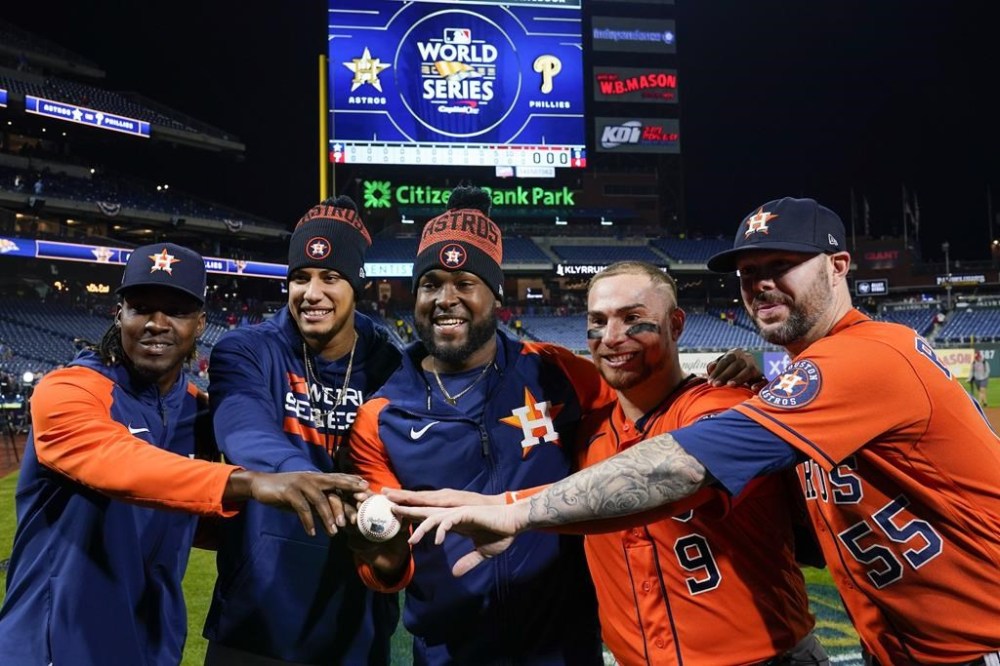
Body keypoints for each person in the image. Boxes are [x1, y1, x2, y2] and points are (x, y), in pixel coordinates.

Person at [403, 197, 1000, 666]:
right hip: (900, 646)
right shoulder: (779, 388)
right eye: (748, 272)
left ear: (839, 266)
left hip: (974, 641)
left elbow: (688, 463)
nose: (760, 283)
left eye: (782, 265)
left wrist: (512, 510)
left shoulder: (858, 361)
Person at [390, 260, 825, 666]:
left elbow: (654, 477)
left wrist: (511, 510)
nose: (612, 336)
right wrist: (492, 505)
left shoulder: (725, 407)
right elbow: (576, 491)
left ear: (676, 325)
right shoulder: (590, 429)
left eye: (632, 318)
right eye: (597, 322)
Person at [0, 243, 369, 666]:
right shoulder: (69, 390)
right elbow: (118, 461)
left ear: (200, 324)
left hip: (151, 649)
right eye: (141, 308)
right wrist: (249, 482)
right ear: (119, 314)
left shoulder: (198, 412)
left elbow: (190, 515)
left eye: (176, 311)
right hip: (53, 647)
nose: (157, 323)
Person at [347, 186, 614, 665]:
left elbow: (643, 414)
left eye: (464, 283)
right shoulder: (381, 416)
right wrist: (377, 555)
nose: (445, 299)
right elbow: (389, 569)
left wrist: (727, 374)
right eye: (431, 285)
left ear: (494, 294)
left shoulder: (555, 371)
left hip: (565, 646)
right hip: (452, 653)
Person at [202, 197, 403, 665]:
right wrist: (298, 476)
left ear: (358, 284)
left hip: (357, 621)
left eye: (330, 277)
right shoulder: (247, 349)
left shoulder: (391, 364)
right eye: (300, 277)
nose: (311, 293)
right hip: (256, 620)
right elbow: (241, 426)